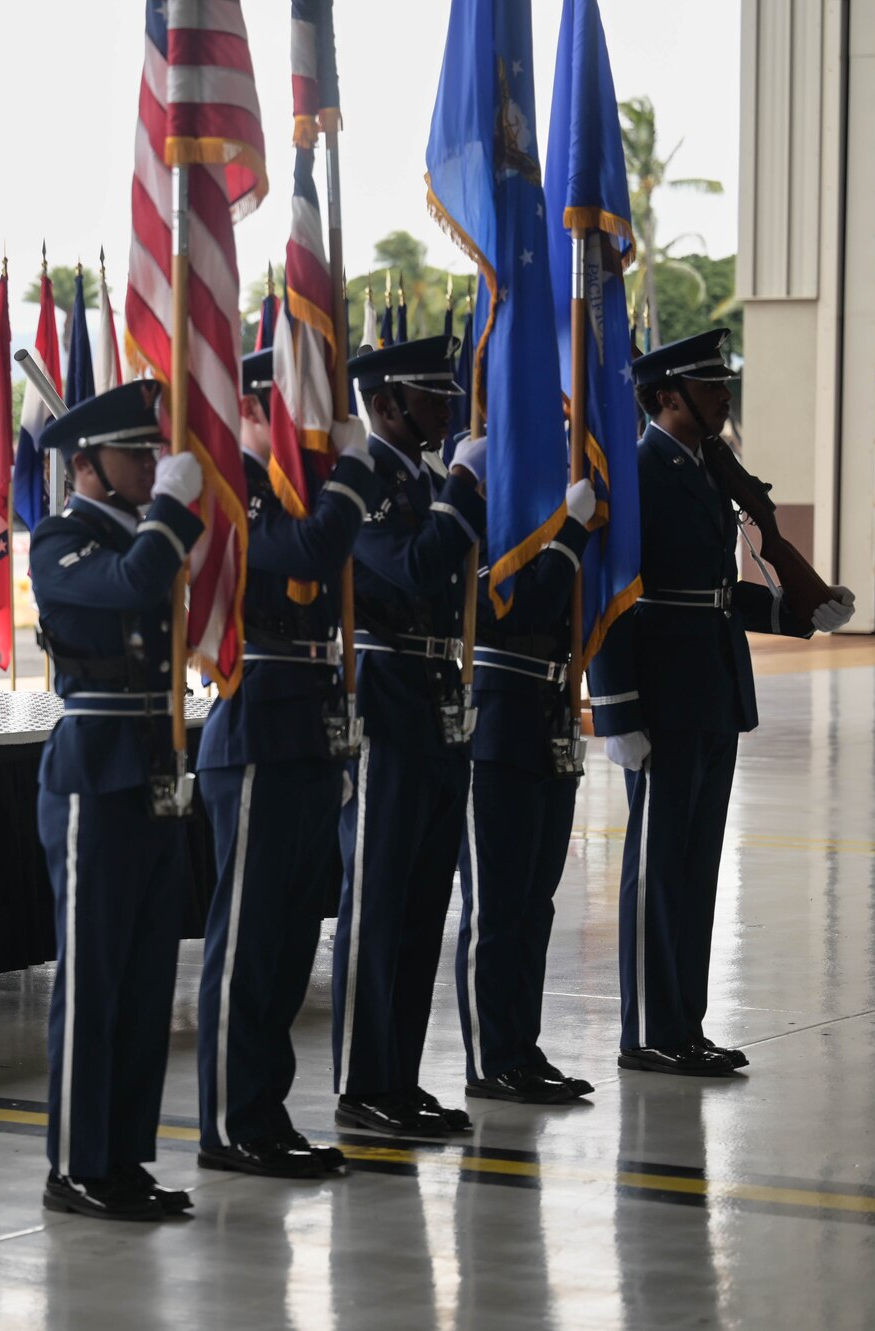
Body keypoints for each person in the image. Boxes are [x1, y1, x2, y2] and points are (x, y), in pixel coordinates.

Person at [590, 329, 854, 1076]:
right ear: (667, 396)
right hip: (663, 700)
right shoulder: (638, 473)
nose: (723, 394)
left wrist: (800, 612)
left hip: (712, 688)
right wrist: (617, 712)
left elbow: (715, 595)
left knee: (697, 869)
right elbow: (616, 596)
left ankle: (684, 1023)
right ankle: (646, 1028)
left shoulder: (709, 472)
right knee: (657, 865)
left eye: (721, 383)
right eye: (709, 386)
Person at [191, 351, 383, 1178]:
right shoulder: (231, 492)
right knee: (248, 943)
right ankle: (232, 1123)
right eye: (289, 407)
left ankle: (265, 1113)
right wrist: (349, 474)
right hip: (258, 724)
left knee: (291, 936)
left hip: (308, 721)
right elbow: (309, 551)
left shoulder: (293, 484)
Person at [28, 380, 203, 1221]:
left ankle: (125, 1156)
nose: (152, 464)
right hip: (94, 770)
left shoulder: (148, 533)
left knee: (144, 980)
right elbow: (134, 587)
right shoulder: (60, 539)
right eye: (137, 453)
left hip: (156, 766)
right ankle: (76, 1163)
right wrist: (170, 512)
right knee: (93, 979)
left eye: (152, 451)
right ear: (87, 465)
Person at [329, 336, 485, 1137]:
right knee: (379, 896)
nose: (449, 405)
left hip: (436, 697)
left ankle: (400, 1073)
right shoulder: (366, 487)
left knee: (426, 898)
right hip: (385, 694)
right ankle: (362, 1081)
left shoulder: (424, 480)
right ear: (386, 404)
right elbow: (420, 568)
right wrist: (464, 484)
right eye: (432, 394)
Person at [451, 449, 598, 1104]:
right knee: (497, 906)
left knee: (536, 902)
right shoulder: (473, 530)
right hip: (497, 732)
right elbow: (524, 607)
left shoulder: (537, 525)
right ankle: (490, 1058)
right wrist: (569, 532)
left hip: (546, 724)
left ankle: (522, 1044)